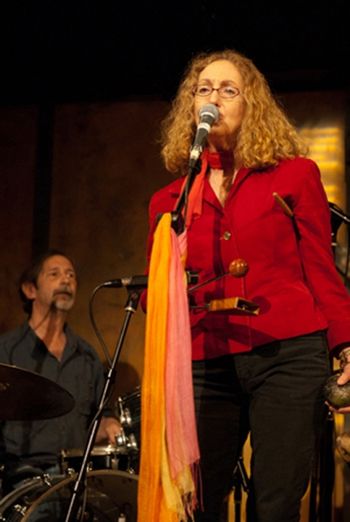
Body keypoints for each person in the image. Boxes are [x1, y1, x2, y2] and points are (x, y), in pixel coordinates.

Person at [143, 49, 350, 522]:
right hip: (205, 358)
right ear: (191, 107)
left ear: (250, 104)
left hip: (288, 353)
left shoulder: (295, 175)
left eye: (227, 89)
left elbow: (321, 267)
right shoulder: (168, 202)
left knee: (275, 502)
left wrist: (346, 346)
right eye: (203, 89)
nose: (213, 97)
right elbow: (165, 297)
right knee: (194, 501)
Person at [0, 249, 121, 495]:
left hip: (77, 480)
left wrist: (109, 425)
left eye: (71, 275)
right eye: (54, 274)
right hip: (22, 479)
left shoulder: (87, 355)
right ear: (29, 290)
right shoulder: (6, 351)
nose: (65, 280)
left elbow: (99, 418)